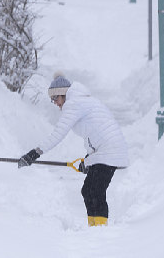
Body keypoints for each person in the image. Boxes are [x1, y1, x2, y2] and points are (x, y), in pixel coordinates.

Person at [18, 71, 129, 227]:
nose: (55, 103)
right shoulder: (84, 101)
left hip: (110, 151)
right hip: (107, 150)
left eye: (55, 98)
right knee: (88, 191)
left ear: (63, 94)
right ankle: (95, 228)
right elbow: (96, 134)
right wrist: (89, 160)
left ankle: (101, 230)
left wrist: (35, 153)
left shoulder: (73, 103)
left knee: (96, 191)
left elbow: (59, 133)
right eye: (52, 100)